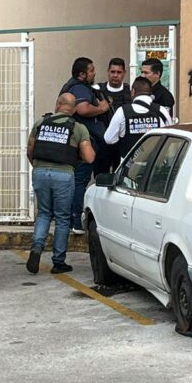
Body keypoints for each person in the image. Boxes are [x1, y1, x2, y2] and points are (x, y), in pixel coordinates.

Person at [26, 93, 95, 274]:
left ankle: (37, 248)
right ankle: (58, 262)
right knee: (62, 218)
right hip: (64, 174)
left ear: (58, 104)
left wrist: (38, 166)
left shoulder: (41, 123)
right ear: (74, 109)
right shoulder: (78, 128)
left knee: (44, 213)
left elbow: (30, 149)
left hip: (40, 172)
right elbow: (89, 157)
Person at [58, 57, 109, 234]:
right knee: (80, 181)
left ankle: (69, 219)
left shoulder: (74, 86)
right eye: (91, 70)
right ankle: (76, 222)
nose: (94, 73)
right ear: (82, 74)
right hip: (83, 142)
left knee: (75, 181)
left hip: (78, 141)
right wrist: (102, 108)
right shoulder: (79, 88)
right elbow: (83, 109)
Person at [104, 77, 171, 158]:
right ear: (151, 93)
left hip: (130, 164)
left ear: (133, 92)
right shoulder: (162, 110)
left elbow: (109, 139)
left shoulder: (122, 111)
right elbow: (170, 137)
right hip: (155, 162)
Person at [96, 57, 130, 174]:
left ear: (124, 73)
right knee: (100, 176)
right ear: (108, 72)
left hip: (123, 143)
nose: (115, 75)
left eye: (119, 72)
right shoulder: (98, 91)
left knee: (121, 175)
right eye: (112, 72)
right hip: (102, 142)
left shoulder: (130, 92)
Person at [141, 57, 176, 122]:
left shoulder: (165, 95)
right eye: (142, 72)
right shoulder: (140, 92)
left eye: (146, 73)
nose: (142, 76)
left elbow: (166, 121)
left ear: (157, 73)